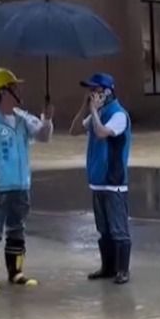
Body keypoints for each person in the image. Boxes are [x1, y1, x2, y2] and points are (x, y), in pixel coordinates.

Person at [0, 67, 53, 293]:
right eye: (14, 87)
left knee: (17, 230)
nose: (18, 90)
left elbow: (43, 137)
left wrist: (48, 118)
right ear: (3, 92)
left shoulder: (23, 119)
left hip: (21, 186)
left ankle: (16, 273)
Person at [70, 73, 132, 284]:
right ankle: (107, 267)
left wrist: (94, 111)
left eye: (96, 90)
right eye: (91, 90)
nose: (93, 94)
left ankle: (123, 270)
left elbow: (102, 132)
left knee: (118, 229)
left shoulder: (118, 114)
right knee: (103, 229)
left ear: (107, 91)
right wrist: (84, 107)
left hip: (114, 181)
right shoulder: (100, 112)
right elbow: (74, 130)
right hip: (97, 180)